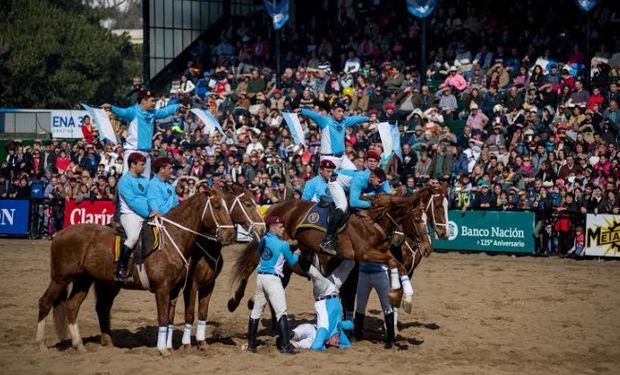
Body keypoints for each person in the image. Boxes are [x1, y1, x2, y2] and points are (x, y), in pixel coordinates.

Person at [246, 216, 301, 354]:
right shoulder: (283, 245)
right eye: (281, 227)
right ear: (273, 227)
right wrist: (298, 252)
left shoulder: (264, 240)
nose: (283, 229)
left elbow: (260, 251)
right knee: (281, 312)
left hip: (260, 278)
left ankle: (251, 344)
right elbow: (292, 262)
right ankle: (285, 346)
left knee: (256, 312)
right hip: (273, 280)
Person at [105, 89, 182, 179]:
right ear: (143, 102)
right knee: (129, 180)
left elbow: (165, 112)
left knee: (144, 184)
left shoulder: (153, 113)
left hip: (146, 154)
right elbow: (123, 112)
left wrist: (177, 106)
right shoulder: (133, 112)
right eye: (152, 101)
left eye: (154, 101)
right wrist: (111, 108)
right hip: (133, 151)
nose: (154, 103)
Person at [291, 260, 356, 351]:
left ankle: (297, 256)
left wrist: (324, 347)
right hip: (334, 289)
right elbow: (351, 328)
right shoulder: (339, 332)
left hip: (323, 292)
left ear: (328, 341)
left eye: (335, 343)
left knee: (315, 274)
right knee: (350, 263)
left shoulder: (324, 330)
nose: (338, 342)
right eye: (338, 343)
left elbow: (316, 346)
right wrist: (342, 325)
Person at [115, 152, 154, 282]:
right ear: (132, 165)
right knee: (132, 237)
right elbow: (132, 202)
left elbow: (150, 197)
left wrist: (156, 209)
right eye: (142, 164)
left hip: (146, 213)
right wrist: (148, 213)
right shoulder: (124, 181)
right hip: (130, 215)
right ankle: (120, 268)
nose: (144, 167)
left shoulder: (144, 180)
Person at [354, 261, 397, 349]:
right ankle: (357, 334)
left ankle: (391, 338)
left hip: (380, 274)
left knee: (387, 306)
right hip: (363, 273)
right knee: (360, 306)